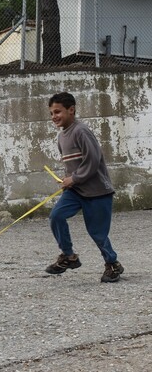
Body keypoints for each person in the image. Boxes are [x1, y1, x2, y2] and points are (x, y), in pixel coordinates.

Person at [46, 92, 124, 283]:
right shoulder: (61, 137)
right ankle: (68, 256)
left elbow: (93, 159)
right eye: (51, 113)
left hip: (97, 191)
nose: (54, 116)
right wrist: (68, 180)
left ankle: (112, 264)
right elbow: (73, 165)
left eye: (58, 112)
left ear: (71, 110)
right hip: (75, 191)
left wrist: (74, 178)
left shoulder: (81, 131)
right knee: (56, 216)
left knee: (97, 232)